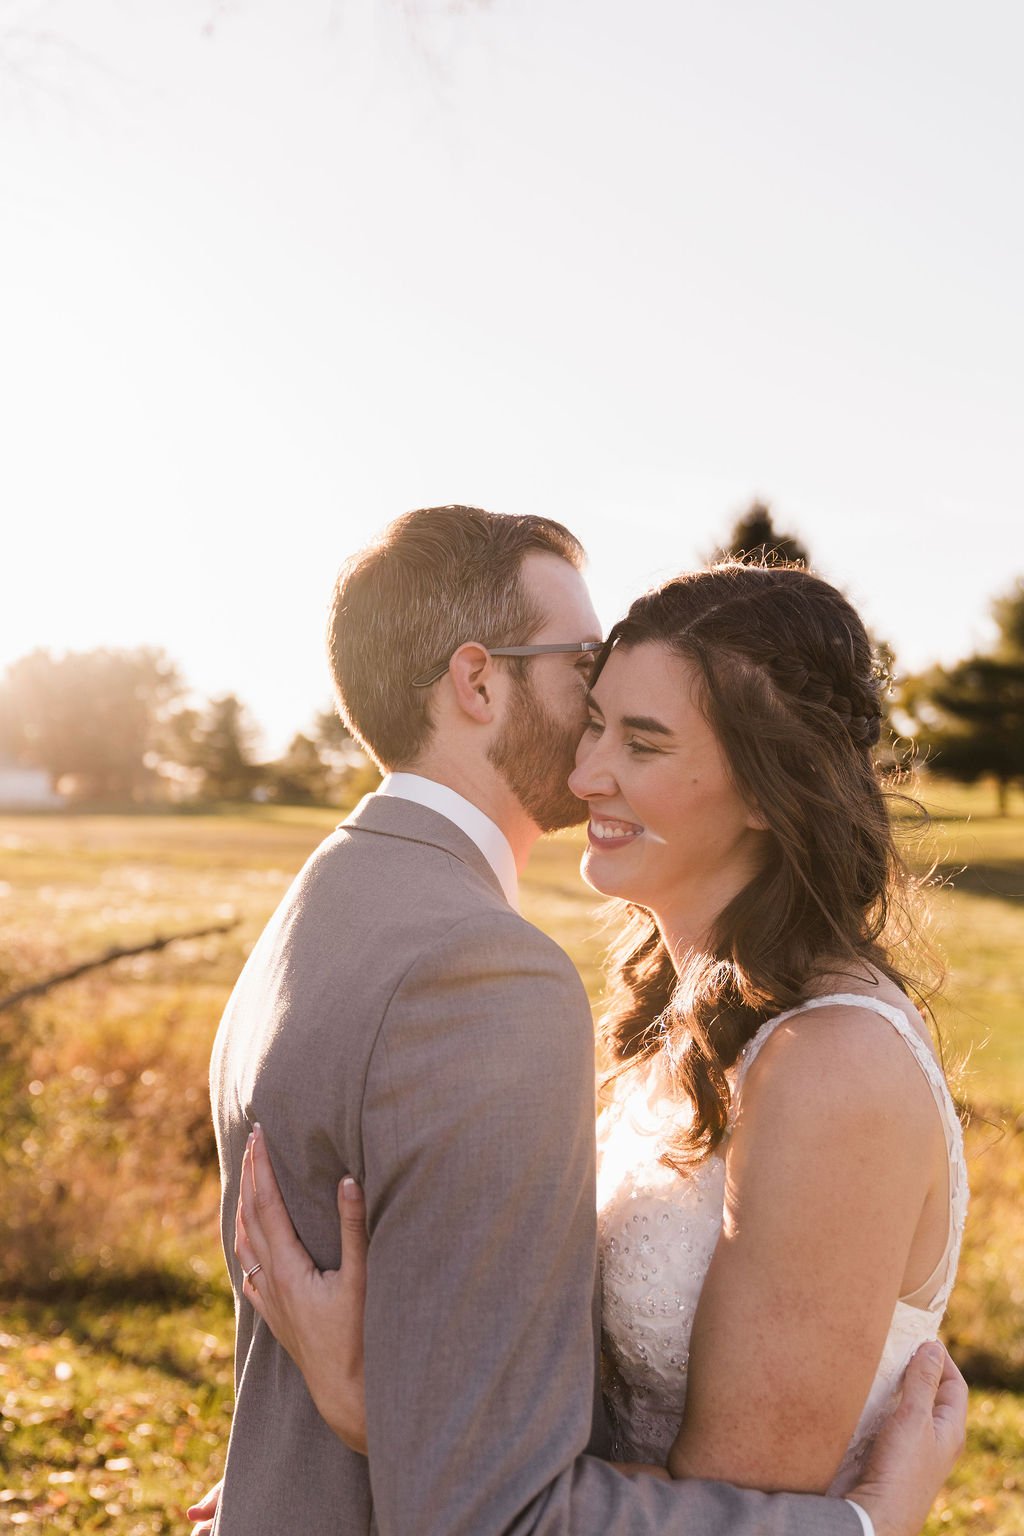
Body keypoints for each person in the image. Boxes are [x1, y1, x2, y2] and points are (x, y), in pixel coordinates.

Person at [197, 510, 966, 1536]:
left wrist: (391, 1416)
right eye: (593, 715)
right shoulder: (650, 1023)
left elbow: (740, 1502)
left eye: (639, 741)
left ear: (767, 790)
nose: (587, 768)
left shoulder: (833, 1066)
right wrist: (405, 1414)